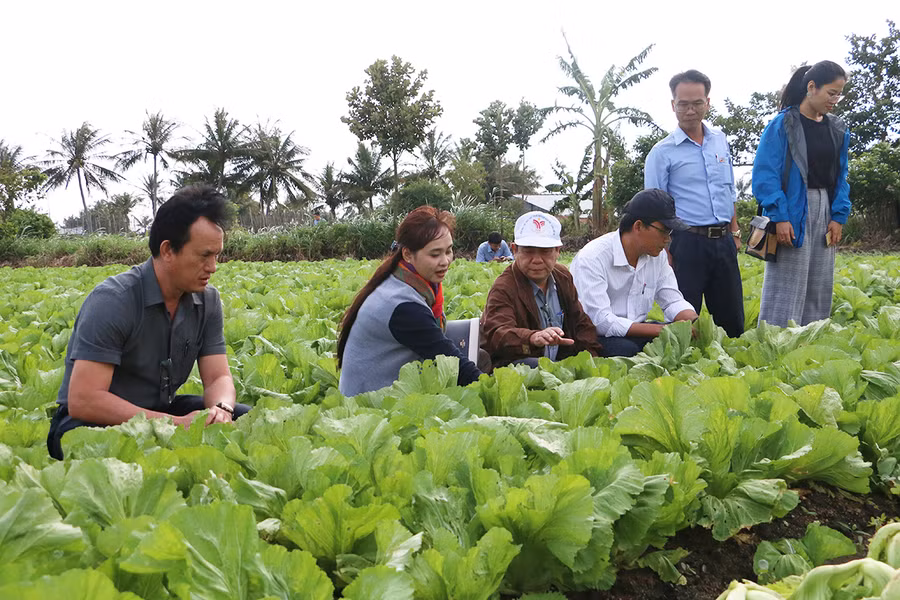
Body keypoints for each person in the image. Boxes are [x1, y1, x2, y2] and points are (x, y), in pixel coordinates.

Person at [47, 185, 250, 460]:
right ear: (168, 250)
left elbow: (218, 377)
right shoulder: (113, 300)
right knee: (99, 449)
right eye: (204, 255)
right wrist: (174, 424)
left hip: (160, 409)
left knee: (246, 418)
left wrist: (222, 409)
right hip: (97, 420)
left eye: (217, 255)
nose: (213, 267)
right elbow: (85, 400)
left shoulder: (208, 301)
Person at [338, 206, 483, 395]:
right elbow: (452, 362)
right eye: (435, 254)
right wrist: (494, 391)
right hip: (371, 406)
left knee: (483, 357)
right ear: (407, 254)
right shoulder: (403, 307)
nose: (445, 261)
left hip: (388, 392)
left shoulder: (405, 281)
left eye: (448, 251)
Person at [644, 69, 744, 338]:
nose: (690, 110)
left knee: (732, 319)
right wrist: (664, 248)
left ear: (707, 103)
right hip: (686, 244)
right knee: (684, 320)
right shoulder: (662, 152)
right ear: (673, 105)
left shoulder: (720, 142)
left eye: (697, 103)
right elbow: (654, 206)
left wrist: (734, 231)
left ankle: (734, 373)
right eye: (684, 104)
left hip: (723, 240)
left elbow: (729, 190)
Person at [753, 61, 850, 327]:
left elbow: (842, 176)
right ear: (811, 87)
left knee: (819, 284)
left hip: (825, 208)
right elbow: (766, 175)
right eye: (832, 93)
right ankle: (775, 345)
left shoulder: (838, 128)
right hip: (792, 208)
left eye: (839, 94)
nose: (836, 100)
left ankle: (811, 342)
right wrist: (780, 217)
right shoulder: (783, 124)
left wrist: (839, 216)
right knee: (786, 284)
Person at [571, 189, 699, 357]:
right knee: (626, 350)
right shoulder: (592, 258)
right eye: (663, 231)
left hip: (635, 328)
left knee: (678, 343)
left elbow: (672, 300)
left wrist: (695, 322)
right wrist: (663, 329)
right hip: (593, 335)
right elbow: (600, 321)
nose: (668, 239)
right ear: (638, 226)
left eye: (670, 232)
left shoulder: (657, 256)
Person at [480, 212, 602, 368]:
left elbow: (581, 322)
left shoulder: (562, 277)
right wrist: (532, 337)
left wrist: (591, 356)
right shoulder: (504, 287)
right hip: (518, 365)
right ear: (514, 249)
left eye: (545, 251)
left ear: (558, 251)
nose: (537, 260)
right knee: (535, 366)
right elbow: (498, 333)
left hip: (560, 363)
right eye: (528, 250)